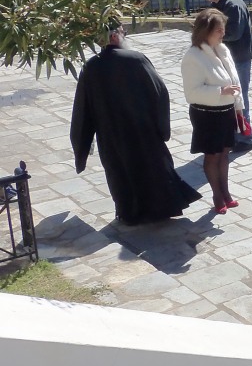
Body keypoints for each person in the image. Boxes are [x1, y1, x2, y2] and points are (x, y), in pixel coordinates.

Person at [71, 22, 201, 224]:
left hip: (112, 135)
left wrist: (82, 145)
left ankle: (129, 214)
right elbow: (160, 93)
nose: (125, 35)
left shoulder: (91, 67)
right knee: (152, 170)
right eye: (123, 32)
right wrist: (162, 128)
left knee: (120, 173)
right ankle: (159, 211)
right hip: (143, 131)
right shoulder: (136, 59)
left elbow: (82, 109)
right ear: (114, 36)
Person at [181, 9, 244, 214]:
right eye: (219, 30)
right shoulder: (193, 57)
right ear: (205, 31)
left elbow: (235, 82)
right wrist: (220, 91)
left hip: (226, 111)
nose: (223, 34)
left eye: (223, 29)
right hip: (206, 114)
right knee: (212, 155)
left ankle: (226, 192)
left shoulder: (222, 50)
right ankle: (217, 195)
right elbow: (192, 93)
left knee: (224, 153)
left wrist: (239, 108)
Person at [203, 0, 252, 151]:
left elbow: (234, 33)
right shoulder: (218, 4)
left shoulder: (232, 6)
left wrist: (209, 33)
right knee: (231, 98)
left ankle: (247, 138)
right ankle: (236, 136)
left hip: (238, 60)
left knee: (238, 98)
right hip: (228, 59)